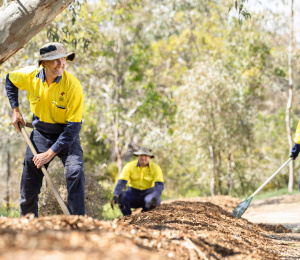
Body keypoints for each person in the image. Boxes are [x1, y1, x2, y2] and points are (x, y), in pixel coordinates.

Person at [5, 42, 85, 217]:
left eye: (63, 59)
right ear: (44, 63)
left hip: (66, 134)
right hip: (41, 132)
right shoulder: (29, 76)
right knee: (30, 170)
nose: (61, 64)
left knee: (75, 171)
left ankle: (77, 222)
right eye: (56, 60)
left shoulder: (72, 85)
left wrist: (49, 154)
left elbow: (74, 127)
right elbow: (9, 79)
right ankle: (28, 221)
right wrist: (15, 111)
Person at [111, 146, 164, 216]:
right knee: (121, 196)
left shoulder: (155, 168)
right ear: (138, 156)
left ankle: (145, 214)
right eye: (141, 155)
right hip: (132, 194)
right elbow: (121, 182)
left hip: (148, 194)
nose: (143, 157)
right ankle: (127, 216)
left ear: (149, 157)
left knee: (156, 200)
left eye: (146, 155)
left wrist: (154, 197)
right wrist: (116, 194)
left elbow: (159, 185)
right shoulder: (129, 166)